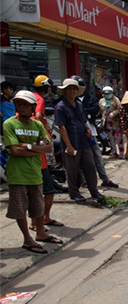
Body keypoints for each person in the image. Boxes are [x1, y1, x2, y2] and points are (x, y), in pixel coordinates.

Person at [4, 90, 62, 254]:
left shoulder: (37, 124)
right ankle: (27, 239)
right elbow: (15, 150)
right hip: (17, 173)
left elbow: (48, 147)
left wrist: (28, 146)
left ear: (32, 107)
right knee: (19, 208)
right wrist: (37, 149)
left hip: (35, 172)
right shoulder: (9, 124)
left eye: (25, 104)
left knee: (37, 206)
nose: (21, 107)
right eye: (18, 104)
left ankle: (41, 232)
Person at [54, 78, 104, 203]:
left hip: (83, 141)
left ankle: (94, 191)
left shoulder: (79, 104)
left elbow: (83, 120)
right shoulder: (60, 107)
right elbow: (62, 127)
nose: (72, 91)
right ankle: (74, 193)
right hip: (71, 142)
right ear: (65, 91)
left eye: (74, 89)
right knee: (72, 170)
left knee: (90, 166)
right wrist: (69, 146)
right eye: (69, 89)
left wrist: (87, 130)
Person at [29, 75, 65, 231]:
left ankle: (36, 220)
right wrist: (44, 134)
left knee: (34, 190)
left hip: (31, 153)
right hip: (39, 153)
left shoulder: (32, 98)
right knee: (47, 190)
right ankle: (43, 218)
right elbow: (38, 117)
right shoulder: (40, 100)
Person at [98, 86, 123, 159]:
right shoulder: (101, 101)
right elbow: (100, 111)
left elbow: (120, 109)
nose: (107, 95)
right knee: (110, 138)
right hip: (107, 123)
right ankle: (114, 152)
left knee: (118, 138)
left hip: (116, 122)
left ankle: (121, 153)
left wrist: (114, 113)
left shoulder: (116, 100)